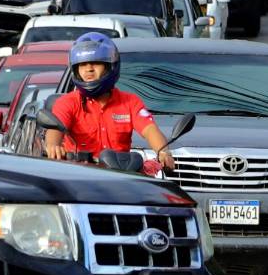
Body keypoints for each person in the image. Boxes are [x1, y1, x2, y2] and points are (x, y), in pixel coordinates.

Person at [44, 32, 176, 176]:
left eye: (95, 63)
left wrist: (163, 152)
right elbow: (54, 131)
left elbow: (150, 130)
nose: (88, 69)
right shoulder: (67, 102)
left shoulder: (130, 102)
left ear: (110, 66)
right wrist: (53, 147)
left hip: (121, 178)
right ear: (75, 70)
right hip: (79, 178)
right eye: (82, 64)